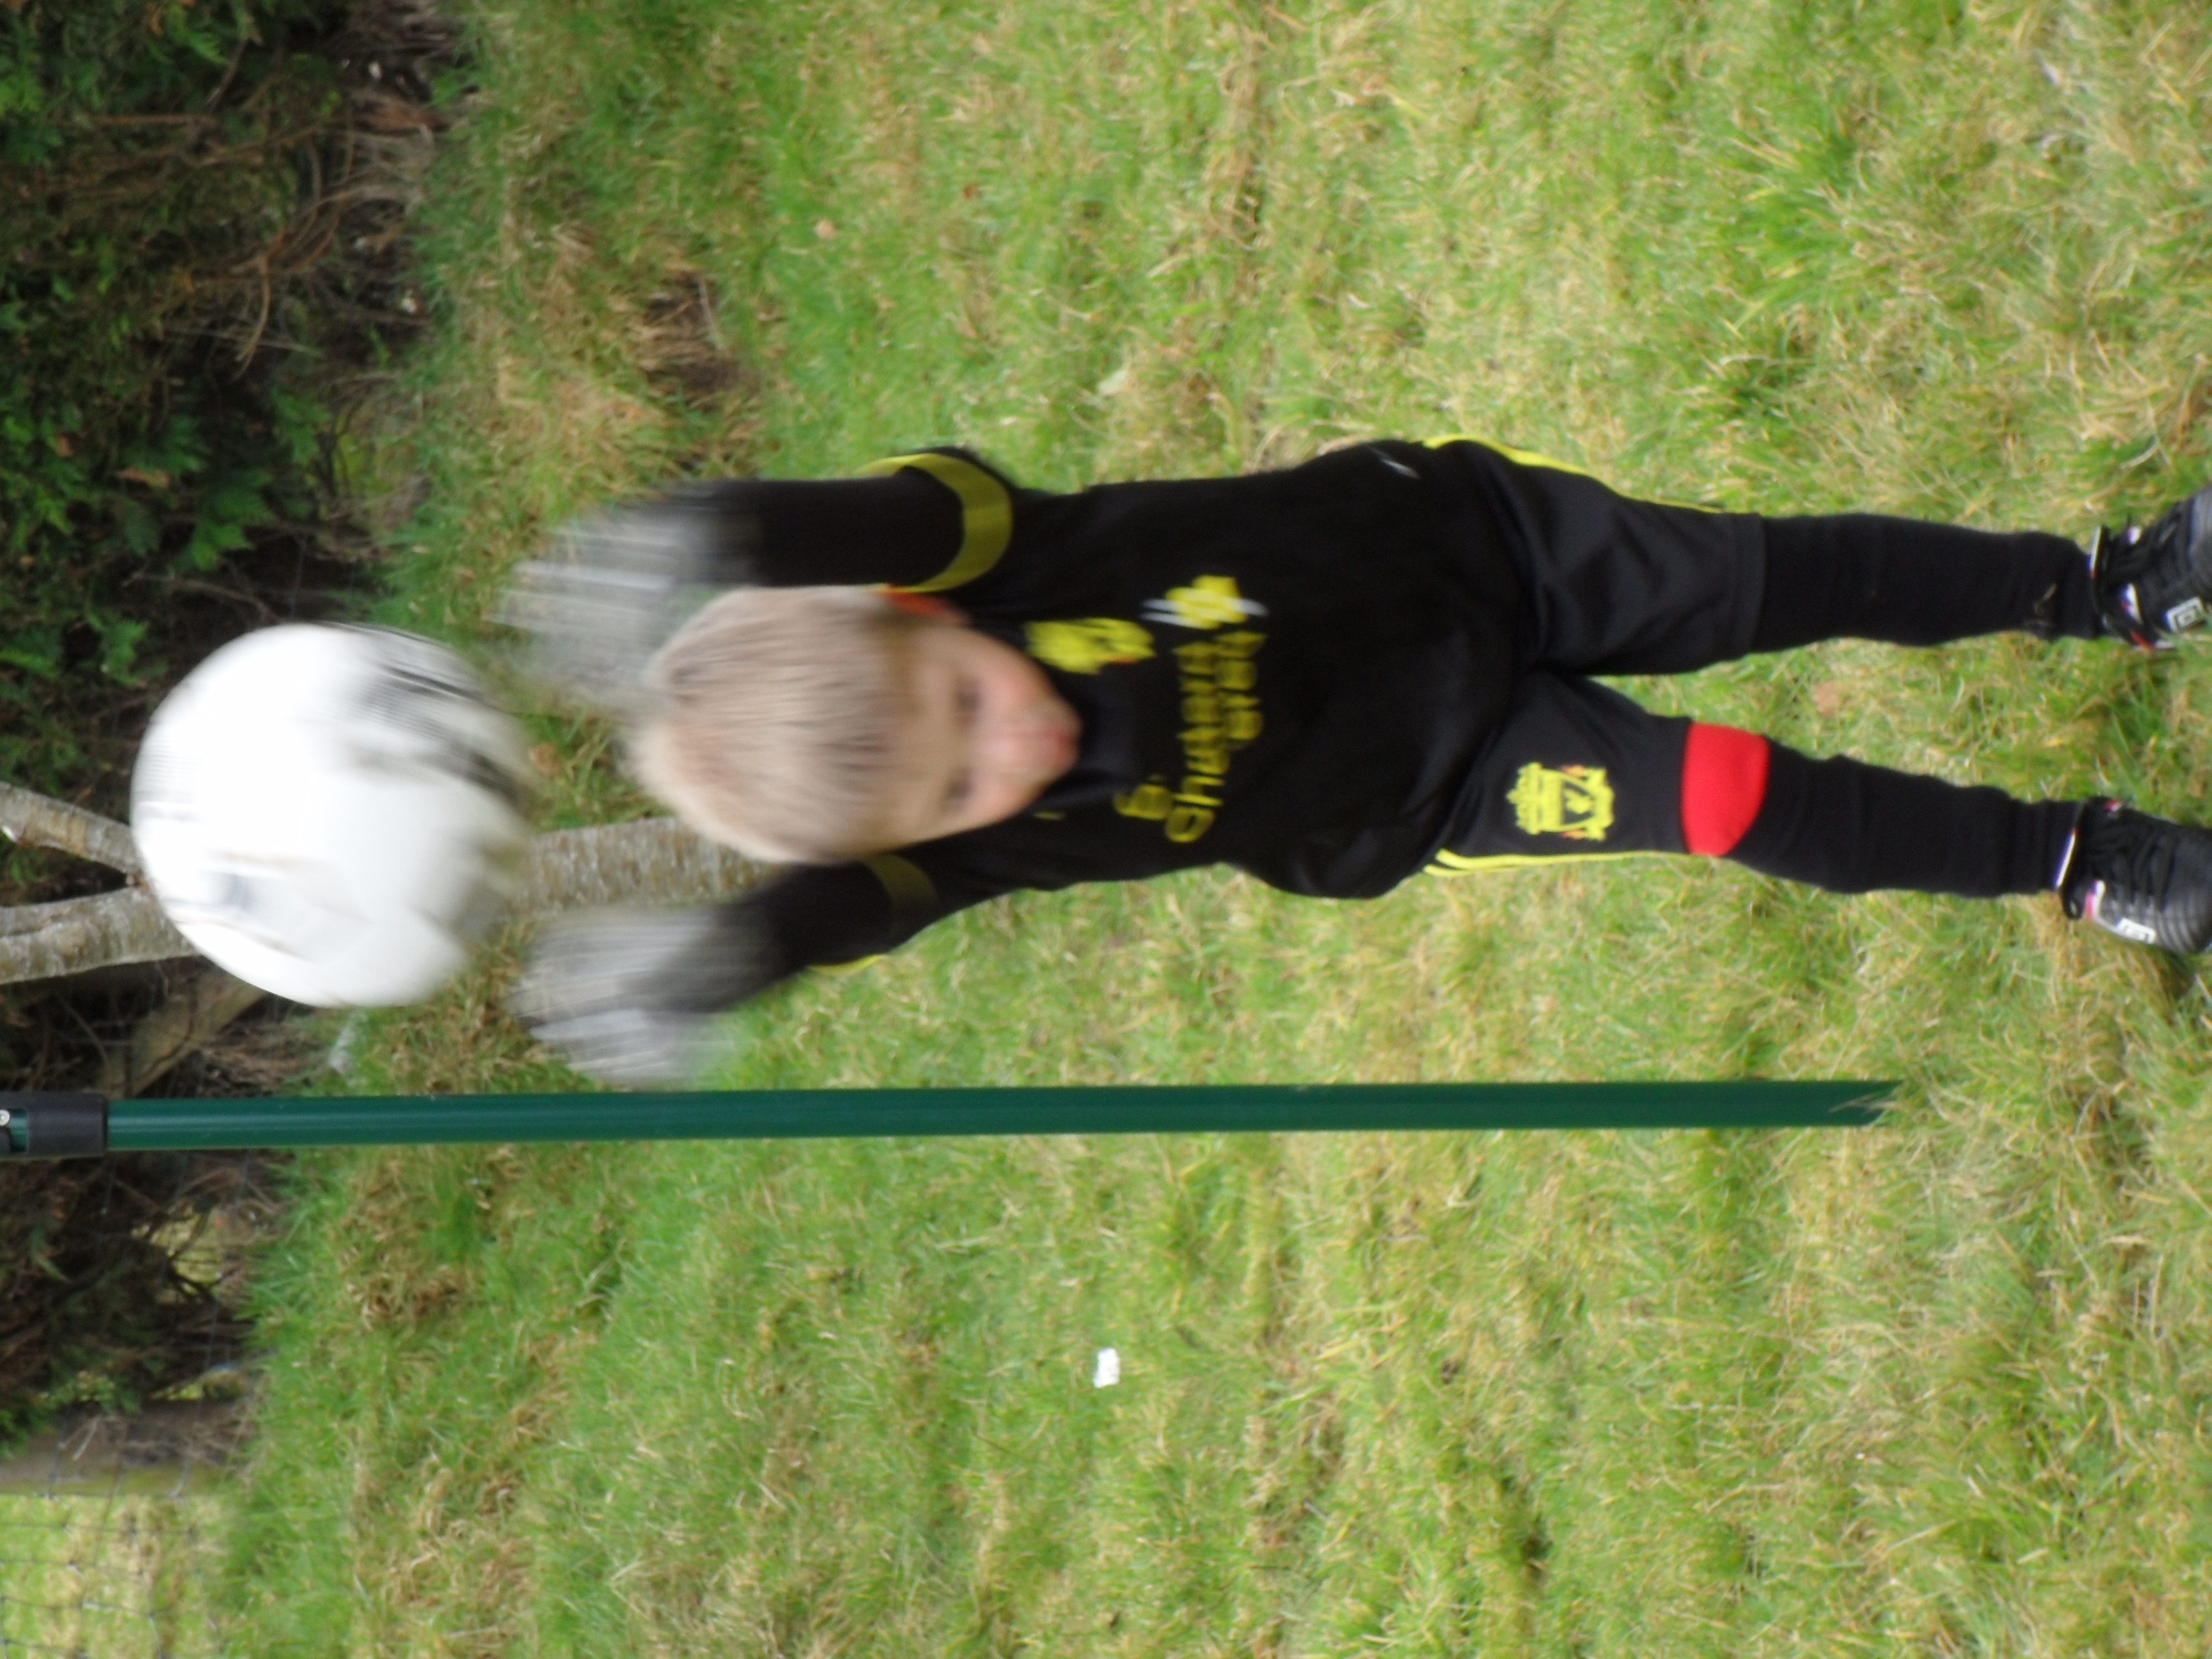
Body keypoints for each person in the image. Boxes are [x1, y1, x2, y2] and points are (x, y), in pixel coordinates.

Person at [500, 438, 2212, 1084]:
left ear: (914, 614)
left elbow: (872, 518)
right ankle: (2080, 860)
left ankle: (2108, 588)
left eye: (960, 698)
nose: (1005, 747)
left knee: (1779, 577)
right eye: (957, 788)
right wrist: (711, 966)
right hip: (1437, 775)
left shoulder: (987, 555)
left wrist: (711, 532)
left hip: (1480, 553)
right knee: (1727, 800)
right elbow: (834, 912)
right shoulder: (965, 853)